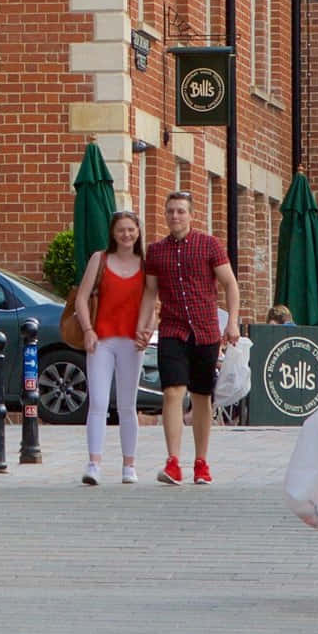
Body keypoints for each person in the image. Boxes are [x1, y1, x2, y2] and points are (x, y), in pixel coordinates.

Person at [147, 191, 238, 486]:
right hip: (173, 328)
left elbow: (229, 284)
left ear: (191, 215)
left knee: (201, 396)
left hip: (205, 330)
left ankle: (201, 461)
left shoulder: (208, 245)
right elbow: (149, 292)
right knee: (173, 391)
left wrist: (233, 322)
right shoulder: (156, 251)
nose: (175, 216)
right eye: (171, 211)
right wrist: (145, 324)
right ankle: (173, 461)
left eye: (181, 211)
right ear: (165, 214)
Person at [68, 209, 157, 486]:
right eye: (121, 230)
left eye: (131, 229)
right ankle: (94, 463)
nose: (126, 234)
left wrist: (148, 330)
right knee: (98, 403)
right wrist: (88, 330)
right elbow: (81, 298)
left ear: (138, 232)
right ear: (113, 233)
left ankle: (129, 465)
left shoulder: (146, 263)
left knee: (128, 405)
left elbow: (154, 302)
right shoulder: (100, 259)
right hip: (102, 340)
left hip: (132, 341)